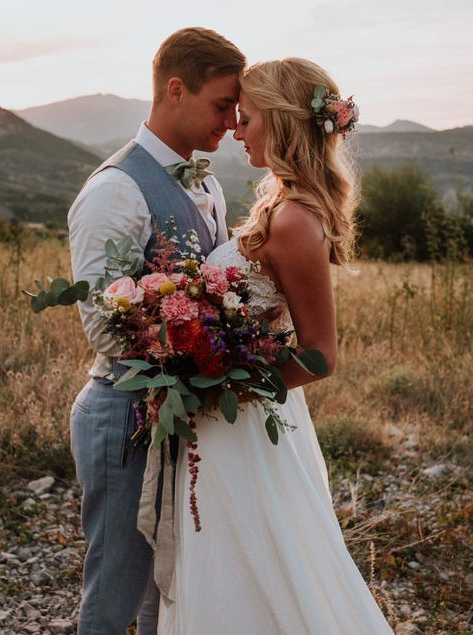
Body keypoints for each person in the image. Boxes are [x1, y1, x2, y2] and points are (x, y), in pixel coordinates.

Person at [157, 58, 394, 634]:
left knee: (253, 565)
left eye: (249, 118)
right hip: (228, 417)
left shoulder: (294, 220)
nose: (237, 131)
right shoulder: (280, 206)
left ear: (284, 125)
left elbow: (319, 355)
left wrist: (219, 389)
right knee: (234, 561)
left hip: (241, 419)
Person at [66, 27, 245, 635]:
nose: (232, 121)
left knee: (167, 593)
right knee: (115, 597)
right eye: (223, 104)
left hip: (179, 414)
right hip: (122, 412)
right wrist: (197, 332)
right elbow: (103, 324)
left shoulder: (209, 182)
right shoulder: (115, 189)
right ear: (176, 89)